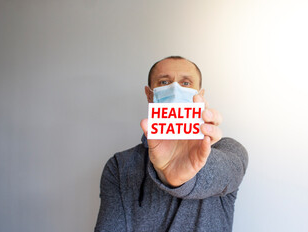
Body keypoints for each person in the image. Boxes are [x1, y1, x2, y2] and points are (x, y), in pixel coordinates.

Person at [94, 56, 248, 232]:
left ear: (201, 95)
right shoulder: (119, 166)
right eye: (164, 81)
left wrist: (178, 178)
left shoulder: (230, 150)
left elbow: (226, 173)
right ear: (149, 94)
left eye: (186, 83)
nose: (175, 89)